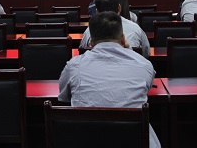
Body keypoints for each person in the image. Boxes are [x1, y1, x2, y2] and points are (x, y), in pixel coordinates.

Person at [59, 11, 160, 148]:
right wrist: (129, 50)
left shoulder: (73, 66)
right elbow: (146, 88)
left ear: (91, 42)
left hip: (86, 140)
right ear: (123, 39)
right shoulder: (144, 65)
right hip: (133, 140)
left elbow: (63, 97)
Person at [80, 0, 150, 57]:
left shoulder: (89, 30)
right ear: (119, 8)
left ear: (97, 11)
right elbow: (146, 53)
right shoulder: (135, 28)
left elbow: (82, 51)